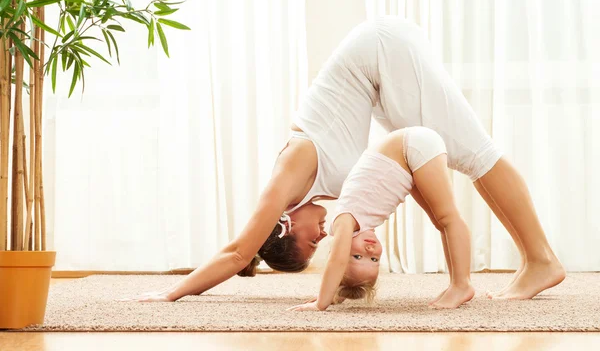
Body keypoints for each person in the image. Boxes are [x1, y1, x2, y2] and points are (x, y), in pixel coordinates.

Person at [128, 17, 564, 303]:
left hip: (378, 53)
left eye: (310, 239)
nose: (321, 235)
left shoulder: (290, 170)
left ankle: (541, 260)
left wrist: (172, 293)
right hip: (376, 72)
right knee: (451, 158)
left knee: (475, 152)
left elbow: (239, 252)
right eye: (321, 242)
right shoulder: (324, 192)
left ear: (283, 224)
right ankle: (522, 264)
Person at [288, 126, 474, 311]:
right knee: (441, 222)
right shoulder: (359, 221)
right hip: (408, 157)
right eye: (374, 260)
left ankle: (462, 285)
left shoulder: (343, 221)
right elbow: (341, 265)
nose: (370, 250)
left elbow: (337, 261)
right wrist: (338, 294)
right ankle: (455, 284)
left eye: (358, 256)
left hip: (408, 147)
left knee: (448, 218)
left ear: (340, 249)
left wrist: (322, 302)